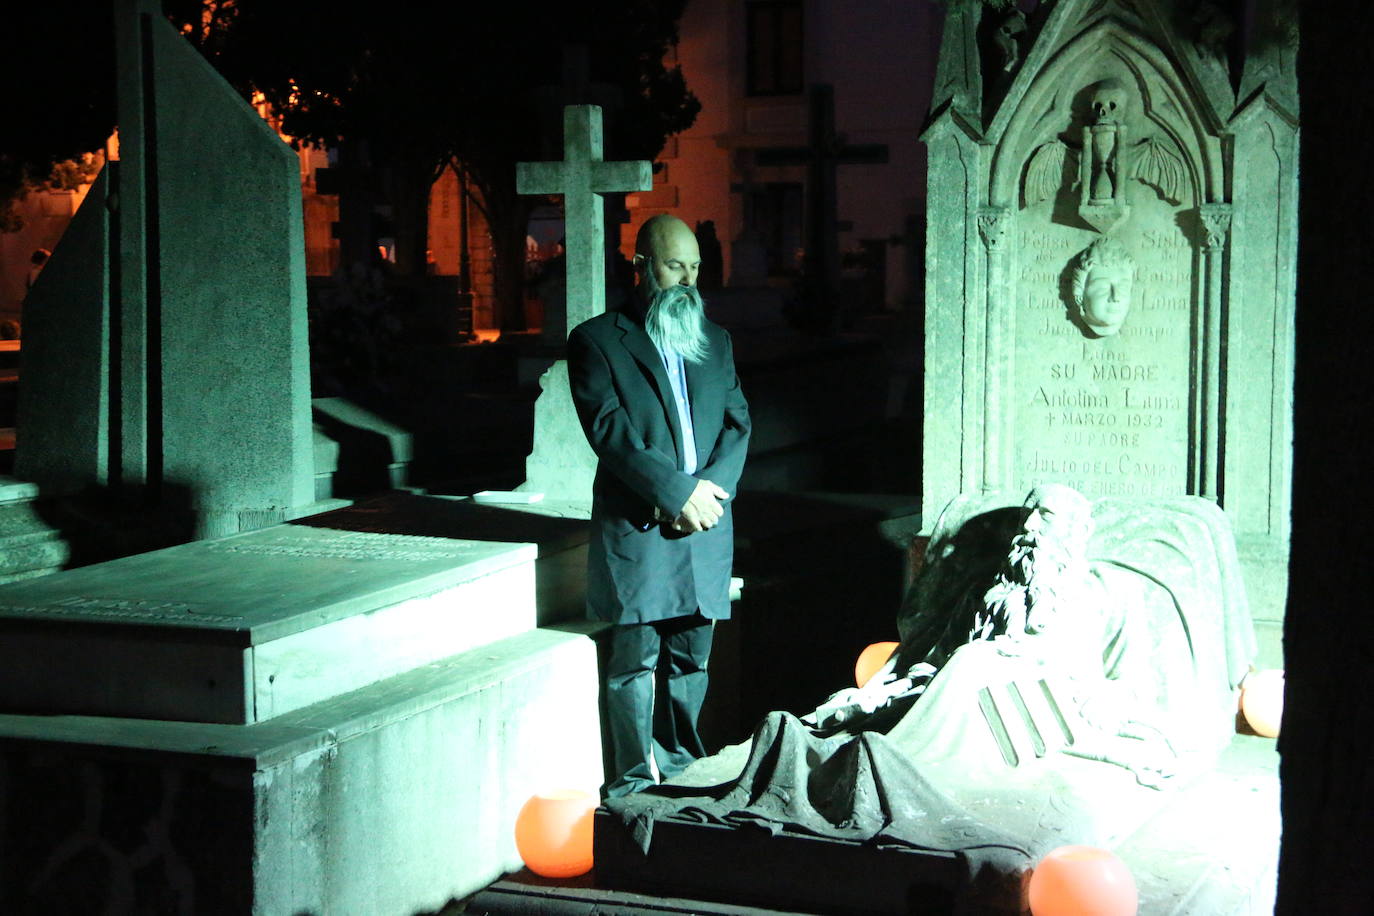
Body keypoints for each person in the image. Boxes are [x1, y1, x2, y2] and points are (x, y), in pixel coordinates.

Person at [568, 214, 751, 798]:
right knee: (634, 661)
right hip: (643, 526)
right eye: (676, 266)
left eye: (696, 268)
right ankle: (629, 783)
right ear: (642, 266)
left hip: (707, 524)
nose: (689, 281)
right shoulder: (597, 340)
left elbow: (738, 423)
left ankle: (681, 769)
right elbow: (611, 432)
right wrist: (678, 494)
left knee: (692, 659)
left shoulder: (715, 340)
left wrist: (709, 493)